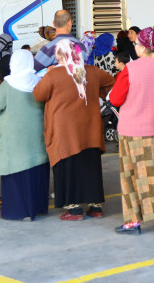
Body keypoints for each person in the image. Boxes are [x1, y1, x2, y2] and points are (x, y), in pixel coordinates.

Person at [110, 27, 154, 234]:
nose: (135, 47)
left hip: (135, 132)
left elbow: (115, 99)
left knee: (133, 177)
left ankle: (133, 221)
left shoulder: (131, 69)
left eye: (136, 44)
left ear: (144, 47)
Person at [34, 39, 115, 221]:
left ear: (60, 55)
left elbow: (38, 94)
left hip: (65, 132)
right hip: (90, 129)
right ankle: (95, 207)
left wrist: (48, 73)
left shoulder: (54, 74)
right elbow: (110, 82)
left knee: (68, 166)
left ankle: (75, 209)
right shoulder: (91, 71)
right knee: (90, 166)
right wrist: (96, 94)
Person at [0, 50, 50, 221]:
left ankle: (18, 211)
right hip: (37, 140)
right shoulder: (39, 83)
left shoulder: (6, 87)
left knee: (16, 175)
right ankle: (37, 208)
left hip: (13, 143)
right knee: (36, 171)